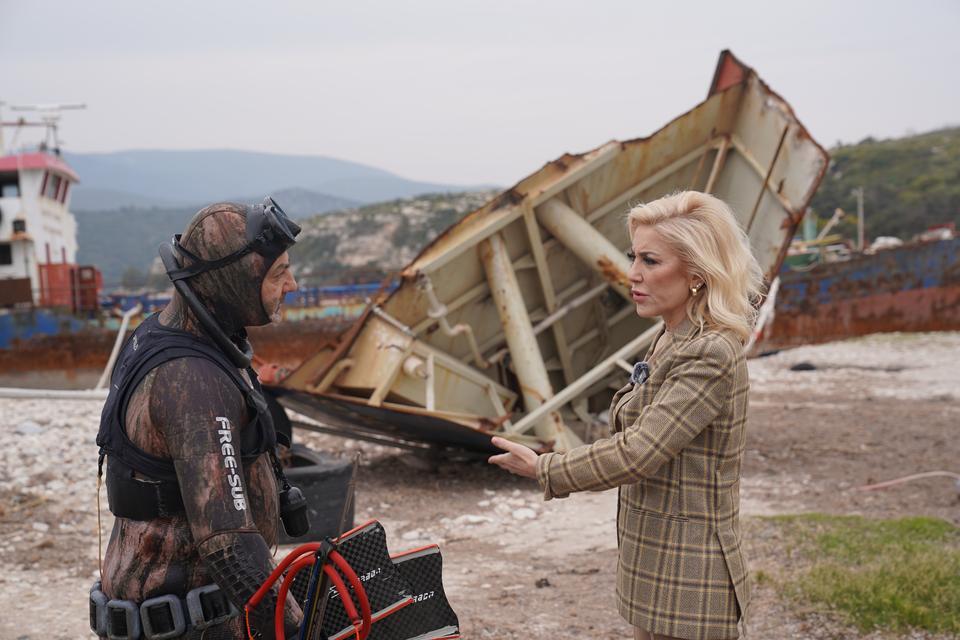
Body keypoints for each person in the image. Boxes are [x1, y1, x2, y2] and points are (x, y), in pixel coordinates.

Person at [489, 191, 763, 640]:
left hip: (690, 575)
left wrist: (545, 468)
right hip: (656, 561)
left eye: (650, 261)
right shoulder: (671, 335)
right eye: (634, 256)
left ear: (696, 274)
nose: (632, 273)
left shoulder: (709, 351)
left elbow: (638, 453)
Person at [92, 200, 303, 639]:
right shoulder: (194, 381)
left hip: (183, 614)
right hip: (188, 624)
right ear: (236, 280)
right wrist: (295, 629)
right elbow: (229, 547)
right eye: (278, 273)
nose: (292, 285)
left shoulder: (158, 334)